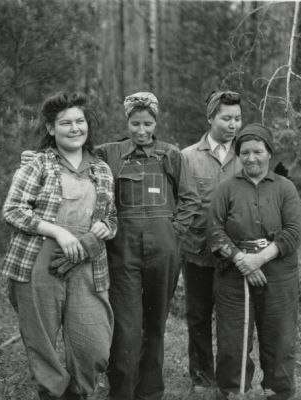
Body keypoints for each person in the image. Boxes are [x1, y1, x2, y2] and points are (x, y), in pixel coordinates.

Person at [2, 92, 117, 400]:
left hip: (87, 263)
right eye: (65, 123)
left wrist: (96, 236)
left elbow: (111, 218)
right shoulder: (38, 164)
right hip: (38, 259)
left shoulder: (101, 170)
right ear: (51, 129)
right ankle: (53, 394)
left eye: (80, 121)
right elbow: (13, 209)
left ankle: (78, 392)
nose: (75, 128)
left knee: (94, 344)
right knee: (42, 344)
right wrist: (60, 234)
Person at [95, 92, 200, 400]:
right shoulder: (108, 153)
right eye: (135, 123)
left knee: (155, 324)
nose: (141, 130)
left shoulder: (170, 154)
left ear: (156, 122)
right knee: (126, 327)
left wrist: (174, 231)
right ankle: (121, 392)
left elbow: (191, 199)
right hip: (122, 250)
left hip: (164, 251)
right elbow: (74, 157)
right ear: (126, 121)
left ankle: (151, 392)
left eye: (148, 123)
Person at [207, 123, 301, 400]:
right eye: (244, 152)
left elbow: (293, 233)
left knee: (279, 341)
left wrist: (258, 260)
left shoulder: (285, 188)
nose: (251, 158)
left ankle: (278, 393)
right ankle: (233, 393)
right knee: (232, 343)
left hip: (279, 277)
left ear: (269, 152)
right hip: (233, 277)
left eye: (257, 151)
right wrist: (241, 260)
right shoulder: (227, 189)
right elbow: (214, 231)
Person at [179, 90, 243, 391]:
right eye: (226, 118)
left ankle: (231, 381)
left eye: (237, 118)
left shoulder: (247, 155)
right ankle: (202, 379)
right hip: (196, 252)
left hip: (235, 254)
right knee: (198, 316)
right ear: (210, 118)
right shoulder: (188, 156)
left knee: (232, 320)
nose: (233, 124)